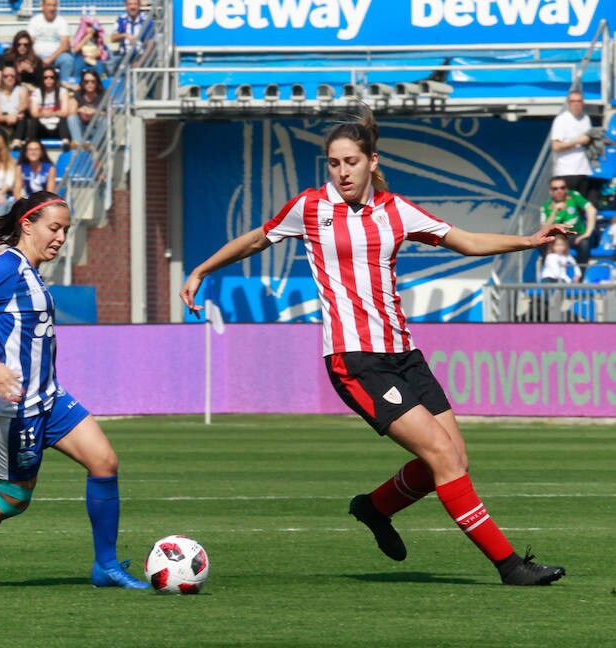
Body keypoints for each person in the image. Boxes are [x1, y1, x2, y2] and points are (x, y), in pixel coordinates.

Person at [179, 113, 568, 587]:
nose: (342, 172)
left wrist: (528, 241)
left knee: (453, 460)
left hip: (405, 354)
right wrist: (201, 270)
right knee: (443, 459)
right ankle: (511, 567)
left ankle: (375, 507)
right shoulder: (310, 207)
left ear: (371, 162)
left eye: (351, 162)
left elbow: (464, 241)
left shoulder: (396, 210)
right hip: (356, 361)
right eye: (334, 163)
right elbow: (258, 238)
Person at [0, 191, 149, 590]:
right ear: (27, 225)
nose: (60, 237)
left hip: (51, 398)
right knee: (12, 500)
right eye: (53, 228)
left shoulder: (32, 270)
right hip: (14, 410)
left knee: (105, 463)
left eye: (65, 230)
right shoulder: (5, 267)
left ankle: (106, 566)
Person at [540, 175, 597, 267]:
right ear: (550, 191)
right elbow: (544, 230)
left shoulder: (573, 196)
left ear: (566, 189)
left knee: (584, 243)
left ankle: (581, 275)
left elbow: (591, 210)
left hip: (575, 235)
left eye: (562, 188)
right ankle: (551, 271)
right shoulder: (546, 206)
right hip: (557, 238)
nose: (559, 191)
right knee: (541, 243)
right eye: (555, 189)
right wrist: (554, 211)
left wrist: (587, 233)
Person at [550, 90, 593, 199]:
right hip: (567, 171)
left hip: (583, 170)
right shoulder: (562, 120)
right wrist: (578, 141)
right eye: (573, 101)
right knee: (568, 208)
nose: (576, 104)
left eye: (579, 101)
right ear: (568, 103)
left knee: (583, 207)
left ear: (583, 103)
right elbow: (556, 146)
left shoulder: (586, 119)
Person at [27, 65, 71, 150]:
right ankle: (30, 143)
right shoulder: (37, 92)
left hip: (57, 126)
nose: (49, 80)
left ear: (55, 79)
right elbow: (34, 113)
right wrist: (44, 114)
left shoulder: (62, 92)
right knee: (34, 121)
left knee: (64, 119)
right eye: (45, 77)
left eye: (52, 77)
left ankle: (65, 142)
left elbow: (65, 112)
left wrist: (52, 113)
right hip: (42, 126)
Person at [27, 0, 73, 81]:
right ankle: (38, 86)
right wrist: (37, 58)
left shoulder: (61, 21)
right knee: (31, 61)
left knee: (68, 60)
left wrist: (50, 59)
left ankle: (64, 85)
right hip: (38, 56)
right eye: (49, 5)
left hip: (57, 57)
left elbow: (64, 45)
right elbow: (29, 43)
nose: (52, 8)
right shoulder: (35, 21)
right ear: (43, 6)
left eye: (54, 5)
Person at [0, 64, 28, 149]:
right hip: (2, 122)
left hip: (17, 121)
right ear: (2, 78)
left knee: (22, 117)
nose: (9, 78)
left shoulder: (21, 89)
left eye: (12, 76)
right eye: (6, 76)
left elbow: (24, 104)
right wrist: (8, 117)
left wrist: (15, 114)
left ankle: (16, 143)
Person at [108, 0, 151, 75]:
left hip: (140, 55)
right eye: (130, 4)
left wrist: (140, 62)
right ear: (126, 6)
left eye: (135, 4)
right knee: (110, 66)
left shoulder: (146, 21)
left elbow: (150, 45)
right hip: (124, 55)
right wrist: (125, 35)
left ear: (139, 6)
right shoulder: (121, 20)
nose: (133, 7)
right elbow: (113, 38)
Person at [67, 69, 104, 145]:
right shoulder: (78, 94)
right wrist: (80, 110)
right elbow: (71, 112)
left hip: (97, 128)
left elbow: (111, 113)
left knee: (104, 120)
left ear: (97, 82)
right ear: (83, 83)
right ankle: (78, 145)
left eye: (93, 81)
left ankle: (93, 146)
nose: (89, 84)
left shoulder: (103, 94)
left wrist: (95, 111)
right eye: (86, 82)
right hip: (82, 128)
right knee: (72, 118)